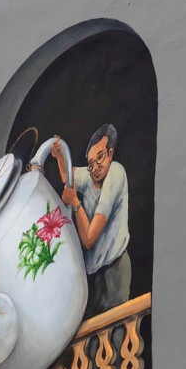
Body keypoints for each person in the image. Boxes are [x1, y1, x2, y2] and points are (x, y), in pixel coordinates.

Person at [54, 125, 131, 316]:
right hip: (93, 275)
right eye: (90, 163)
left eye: (100, 157)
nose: (95, 167)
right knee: (92, 329)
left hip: (115, 269)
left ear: (110, 153)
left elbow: (88, 239)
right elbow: (67, 176)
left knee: (115, 326)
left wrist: (75, 202)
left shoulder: (115, 173)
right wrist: (60, 156)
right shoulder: (90, 176)